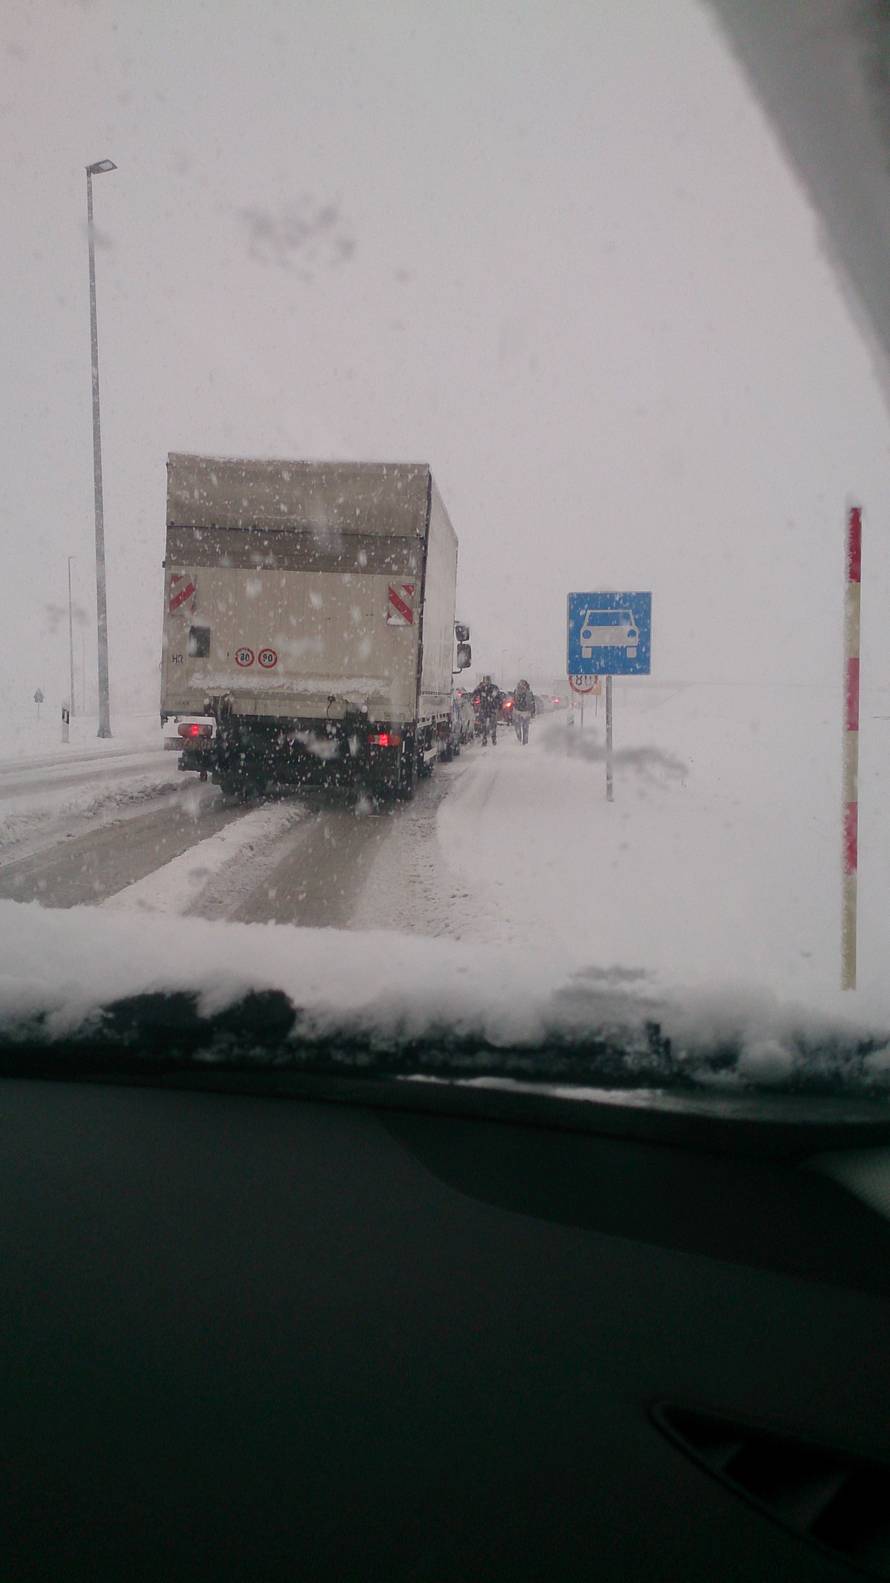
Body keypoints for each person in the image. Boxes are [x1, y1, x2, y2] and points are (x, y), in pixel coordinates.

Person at [476, 675, 502, 745]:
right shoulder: (481, 688)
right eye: (485, 680)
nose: (487, 682)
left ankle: (493, 739)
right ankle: (484, 739)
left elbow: (499, 698)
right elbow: (475, 694)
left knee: (493, 725)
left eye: (488, 680)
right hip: (484, 708)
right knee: (483, 725)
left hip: (492, 709)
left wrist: (498, 705)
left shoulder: (494, 688)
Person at [512, 678, 536, 745]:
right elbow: (532, 702)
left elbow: (532, 702)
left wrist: (533, 711)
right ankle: (524, 741)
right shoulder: (529, 692)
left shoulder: (517, 691)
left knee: (519, 727)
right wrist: (533, 712)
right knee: (524, 728)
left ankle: (521, 739)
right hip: (524, 712)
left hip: (520, 711)